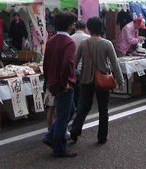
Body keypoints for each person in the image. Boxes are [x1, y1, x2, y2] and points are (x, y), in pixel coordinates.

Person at [70, 17, 124, 144]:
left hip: (85, 79)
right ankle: (102, 137)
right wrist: (120, 81)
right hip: (103, 79)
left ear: (88, 28)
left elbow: (75, 62)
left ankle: (75, 130)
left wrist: (73, 76)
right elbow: (114, 64)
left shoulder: (84, 43)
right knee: (103, 110)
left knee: (83, 107)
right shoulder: (107, 43)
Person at [42, 11, 78, 157]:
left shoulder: (51, 40)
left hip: (53, 82)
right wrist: (66, 82)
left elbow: (46, 63)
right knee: (63, 116)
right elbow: (68, 64)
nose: (74, 25)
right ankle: (59, 148)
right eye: (73, 23)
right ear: (69, 25)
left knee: (70, 110)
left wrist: (48, 80)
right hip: (65, 84)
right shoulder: (69, 42)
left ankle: (51, 136)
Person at [70, 21, 90, 106]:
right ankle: (82, 103)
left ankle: (75, 103)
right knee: (84, 87)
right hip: (85, 66)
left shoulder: (70, 38)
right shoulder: (88, 38)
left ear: (75, 27)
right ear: (85, 28)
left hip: (73, 65)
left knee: (75, 86)